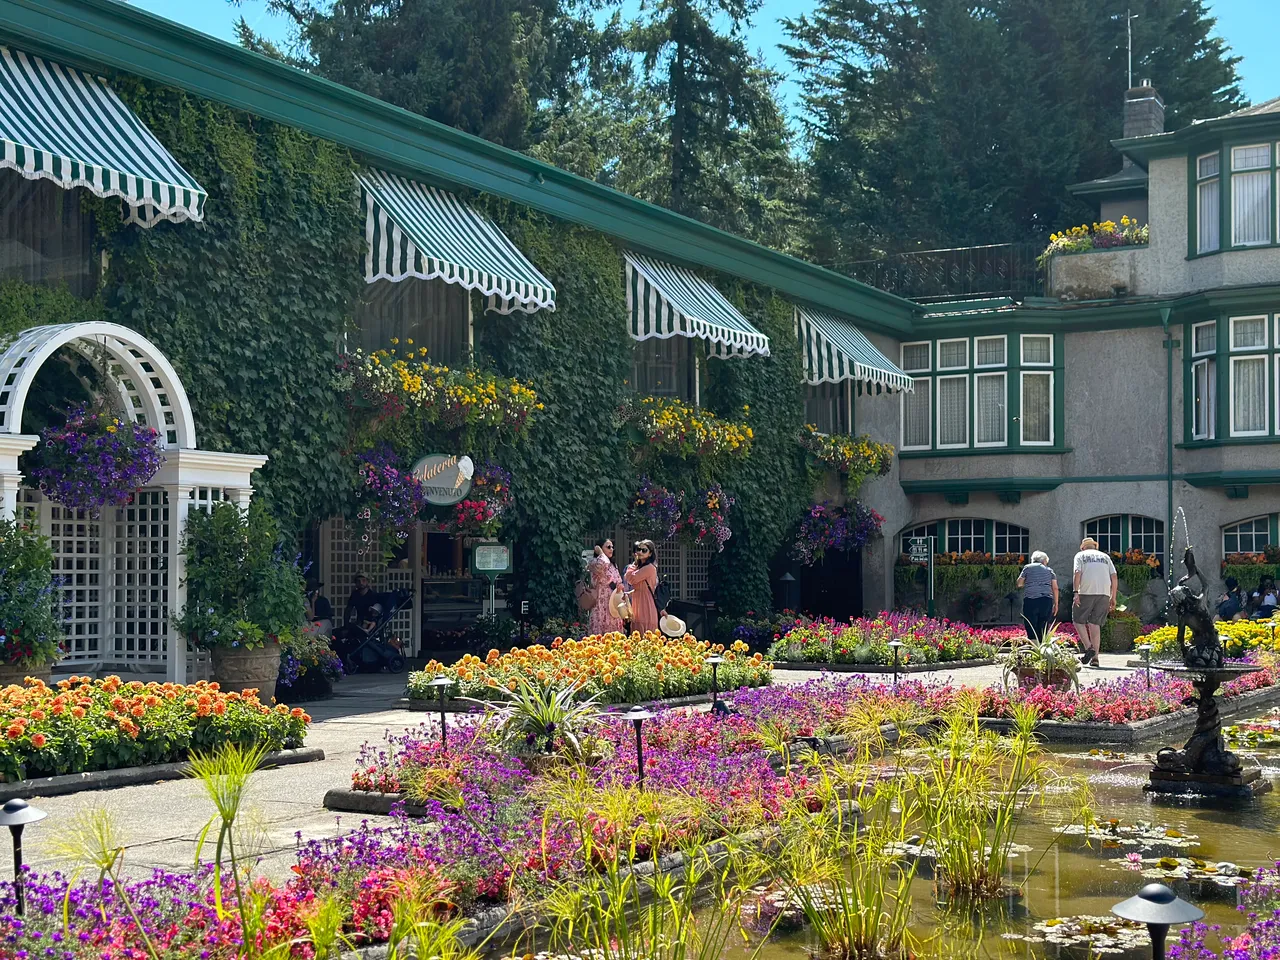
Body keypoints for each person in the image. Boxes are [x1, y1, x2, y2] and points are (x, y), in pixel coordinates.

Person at [1072, 537, 1117, 667]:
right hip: (1104, 593)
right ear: (1094, 546)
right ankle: (1095, 658)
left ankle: (1089, 648)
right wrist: (1113, 597)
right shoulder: (1105, 557)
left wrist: (1076, 592)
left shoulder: (1080, 555)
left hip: (1086, 591)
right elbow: (1114, 576)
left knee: (1078, 620)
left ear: (1083, 547)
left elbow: (1077, 572)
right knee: (1094, 624)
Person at [624, 539, 663, 635]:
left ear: (650, 554)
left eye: (644, 550)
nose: (640, 552)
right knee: (637, 630)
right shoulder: (641, 567)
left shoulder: (649, 567)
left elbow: (630, 579)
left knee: (644, 632)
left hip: (645, 604)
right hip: (639, 601)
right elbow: (636, 584)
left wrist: (633, 565)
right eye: (639, 549)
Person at [1016, 551, 1059, 640]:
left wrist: (1027, 582)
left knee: (1030, 624)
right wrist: (1056, 603)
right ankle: (1041, 647)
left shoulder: (1027, 567)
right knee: (1043, 624)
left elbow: (1019, 583)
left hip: (1031, 600)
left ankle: (1033, 645)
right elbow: (1055, 588)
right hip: (1046, 600)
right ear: (1043, 561)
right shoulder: (1049, 571)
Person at [588, 538, 624, 635]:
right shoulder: (594, 562)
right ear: (599, 548)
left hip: (613, 602)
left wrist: (620, 585)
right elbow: (604, 563)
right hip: (600, 602)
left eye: (612, 547)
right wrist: (599, 552)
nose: (611, 549)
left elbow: (619, 580)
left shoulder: (613, 565)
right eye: (608, 547)